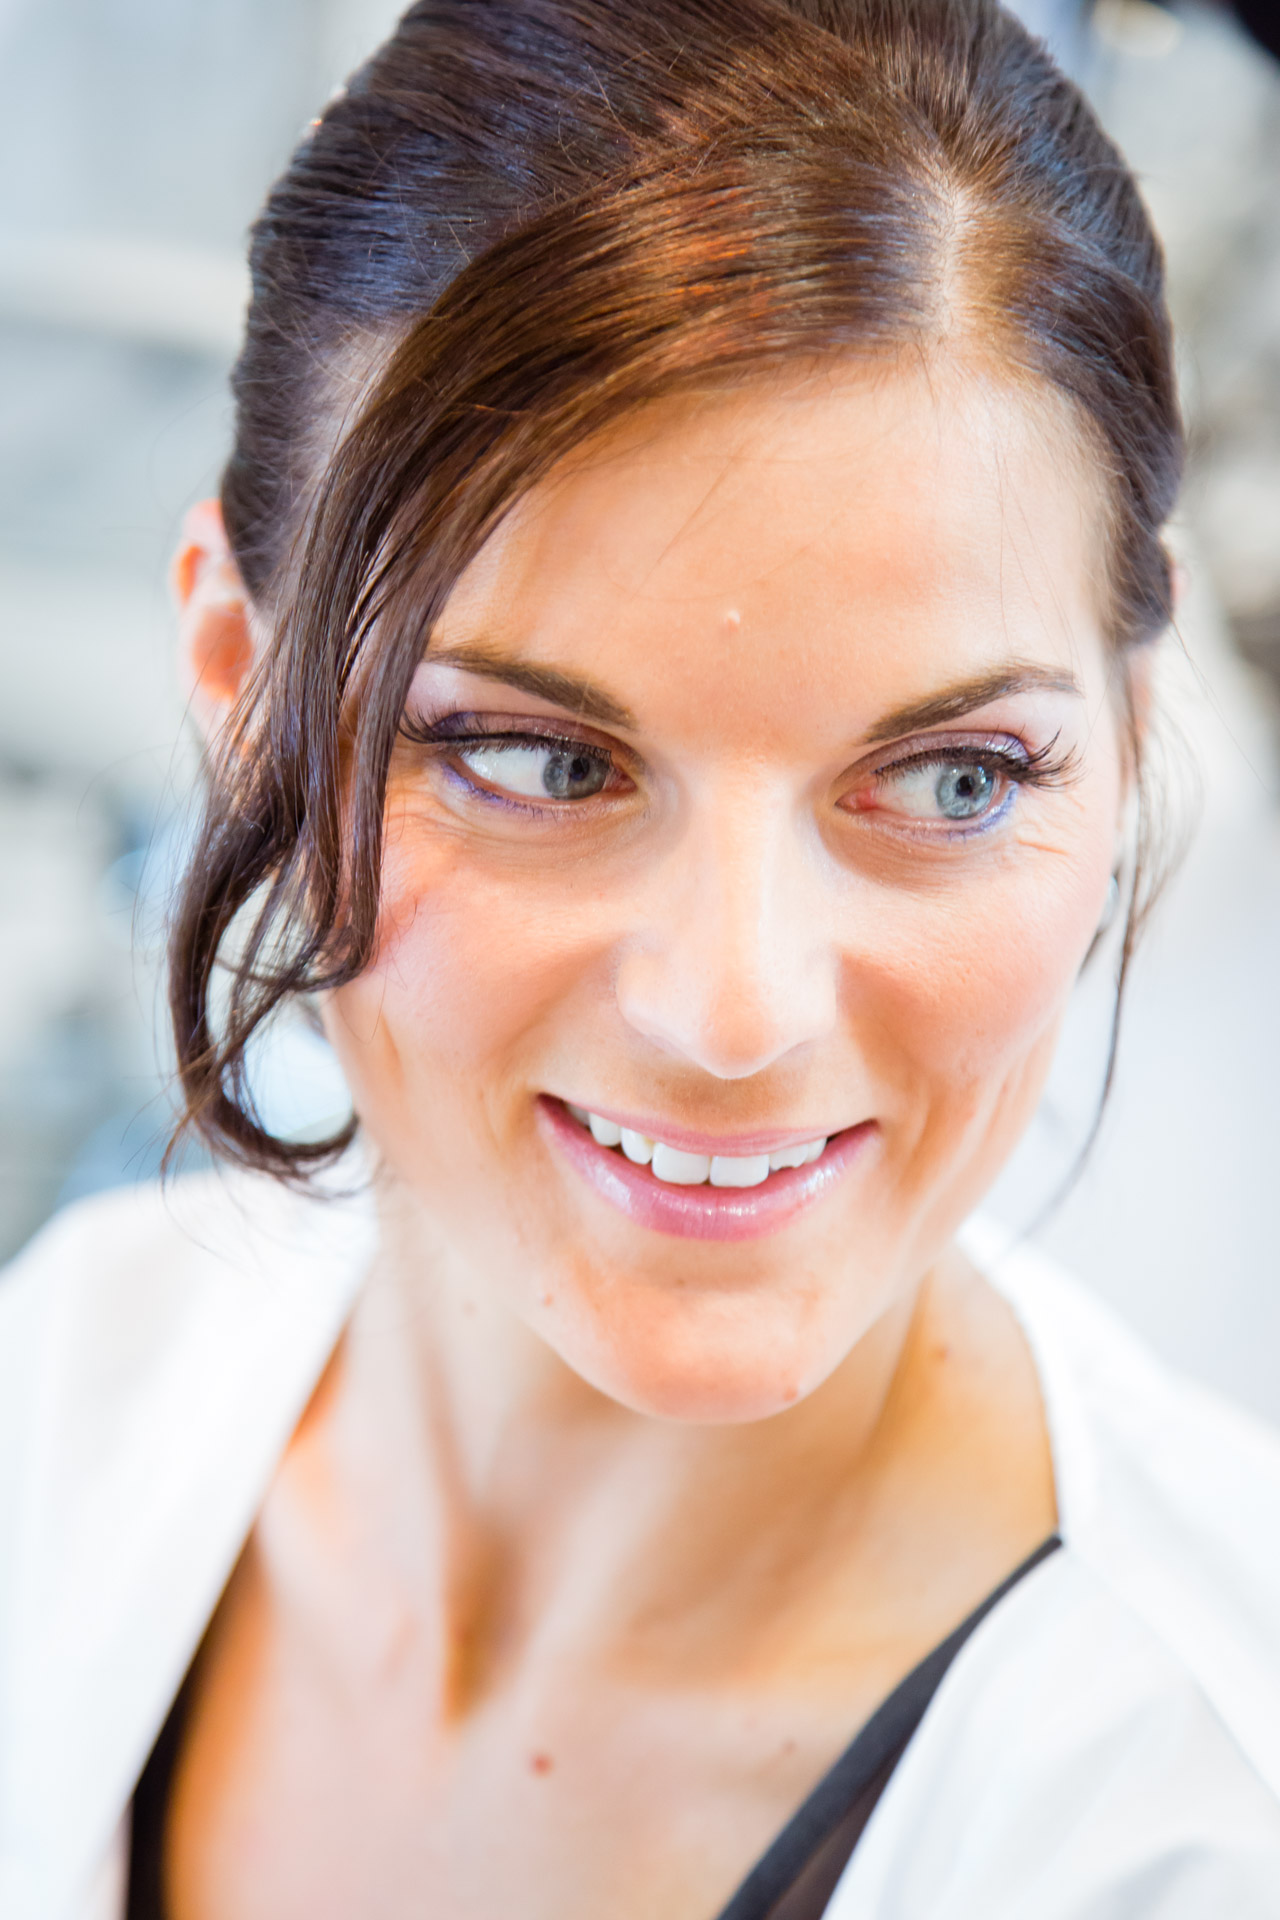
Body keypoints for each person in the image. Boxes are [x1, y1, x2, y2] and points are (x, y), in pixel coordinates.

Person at [3, 1, 1280, 1914]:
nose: (736, 1013)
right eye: (537, 760)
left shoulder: (1191, 1811)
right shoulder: (79, 1397)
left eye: (948, 777)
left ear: (1121, 753)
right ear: (235, 688)